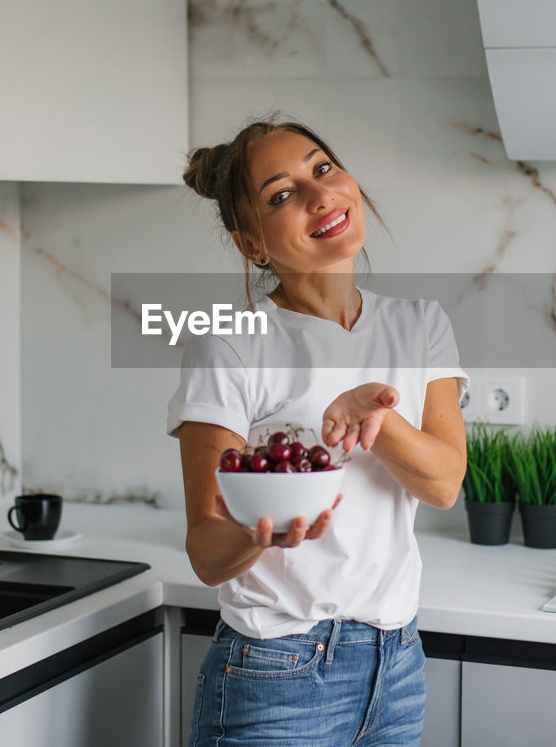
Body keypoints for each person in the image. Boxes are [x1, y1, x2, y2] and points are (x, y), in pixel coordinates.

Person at [168, 116, 469, 746]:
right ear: (252, 244)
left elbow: (443, 485)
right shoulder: (229, 344)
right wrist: (259, 532)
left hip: (398, 665)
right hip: (277, 674)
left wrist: (377, 423)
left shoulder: (420, 326)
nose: (318, 194)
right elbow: (206, 551)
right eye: (281, 194)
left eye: (322, 168)